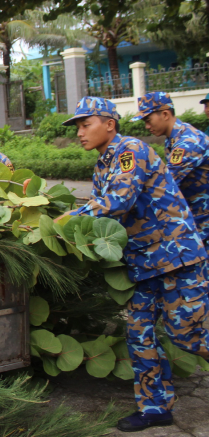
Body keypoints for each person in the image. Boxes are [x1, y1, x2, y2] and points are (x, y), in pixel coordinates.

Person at [63, 96, 209, 432]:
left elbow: (116, 203)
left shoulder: (131, 151)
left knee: (189, 337)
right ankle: (155, 408)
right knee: (139, 333)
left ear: (109, 124)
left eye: (86, 125)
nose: (80, 133)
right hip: (145, 265)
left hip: (176, 259)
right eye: (77, 128)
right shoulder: (103, 165)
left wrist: (66, 219)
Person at [133, 92, 209, 244]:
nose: (147, 127)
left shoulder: (188, 143)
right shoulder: (175, 138)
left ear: (165, 114)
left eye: (148, 120)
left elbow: (162, 184)